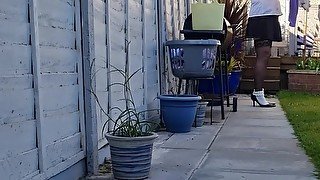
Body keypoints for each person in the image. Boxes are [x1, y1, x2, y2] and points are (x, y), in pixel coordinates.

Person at [246, 0, 282, 107]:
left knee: (265, 54)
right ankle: (258, 92)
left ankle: (258, 92)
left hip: (268, 13)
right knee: (264, 54)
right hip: (262, 14)